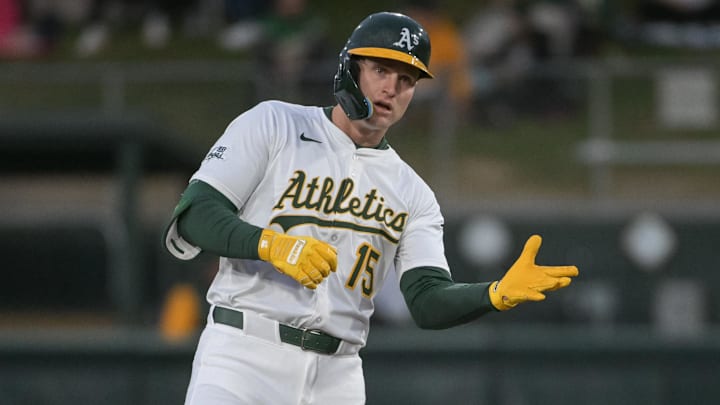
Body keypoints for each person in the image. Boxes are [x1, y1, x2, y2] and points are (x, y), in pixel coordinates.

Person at [163, 11, 579, 404]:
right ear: (349, 70)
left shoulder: (413, 192)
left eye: (407, 79)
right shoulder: (275, 124)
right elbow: (196, 212)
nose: (392, 89)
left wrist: (493, 294)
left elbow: (426, 299)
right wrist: (272, 245)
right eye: (380, 70)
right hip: (245, 352)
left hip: (338, 373)